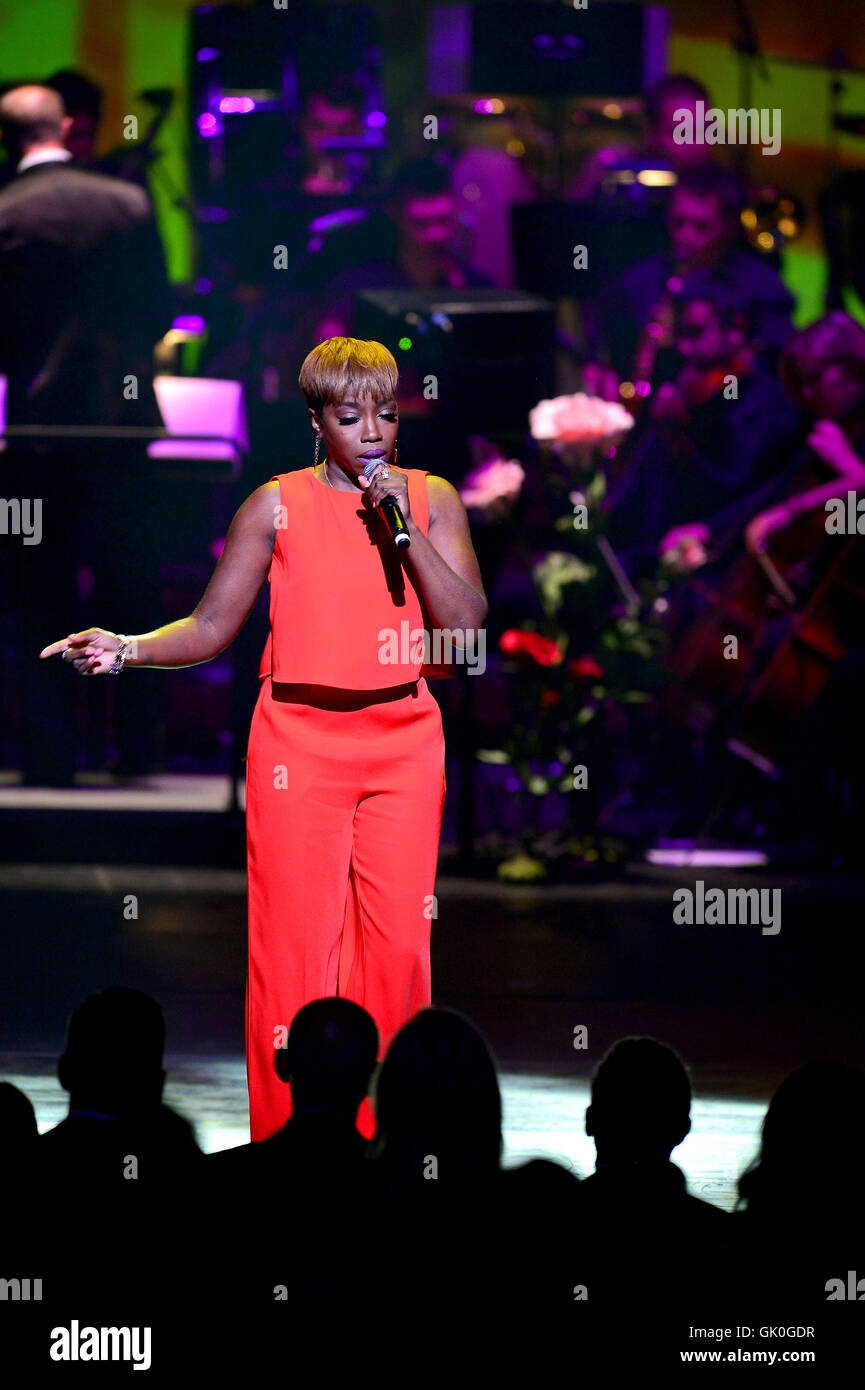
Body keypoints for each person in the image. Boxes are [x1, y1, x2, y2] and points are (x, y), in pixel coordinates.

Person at [40, 337, 489, 1145]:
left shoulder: (431, 499)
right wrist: (128, 645)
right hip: (298, 746)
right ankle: (290, 1147)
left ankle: (398, 1147)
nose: (373, 433)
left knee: (396, 955)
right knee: (294, 950)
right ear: (317, 421)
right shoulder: (274, 504)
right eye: (351, 418)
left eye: (386, 415)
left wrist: (402, 530)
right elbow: (213, 625)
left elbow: (464, 630)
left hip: (402, 743)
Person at [0, 84, 173, 782]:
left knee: (39, 591)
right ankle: (135, 750)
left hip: (36, 435)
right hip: (122, 429)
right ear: (69, 127)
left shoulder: (6, 213)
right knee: (131, 585)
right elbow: (160, 310)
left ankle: (51, 756)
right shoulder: (127, 204)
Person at [584, 163, 794, 397]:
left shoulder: (763, 289)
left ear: (730, 227)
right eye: (678, 223)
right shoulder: (642, 280)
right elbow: (601, 338)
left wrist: (727, 362)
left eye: (701, 227)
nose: (686, 237)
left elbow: (780, 368)